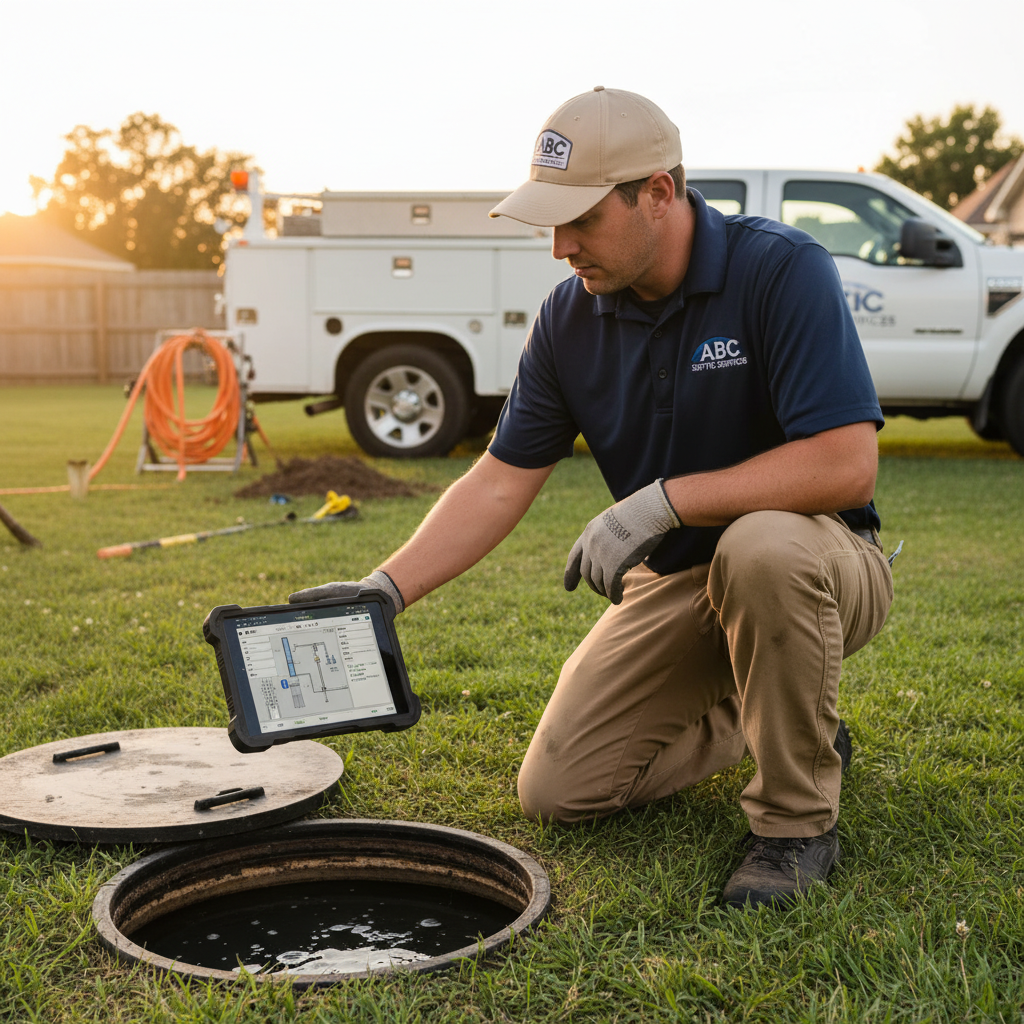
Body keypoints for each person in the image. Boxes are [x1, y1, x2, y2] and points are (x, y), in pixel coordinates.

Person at [290, 87, 894, 909]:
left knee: (761, 548)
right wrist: (386, 591)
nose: (558, 246)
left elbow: (846, 464)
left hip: (818, 564)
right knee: (560, 788)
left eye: (580, 219)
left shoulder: (780, 269)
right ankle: (788, 721)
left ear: (658, 192)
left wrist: (666, 501)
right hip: (682, 583)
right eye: (548, 219)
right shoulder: (569, 317)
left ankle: (793, 823)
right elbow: (501, 478)